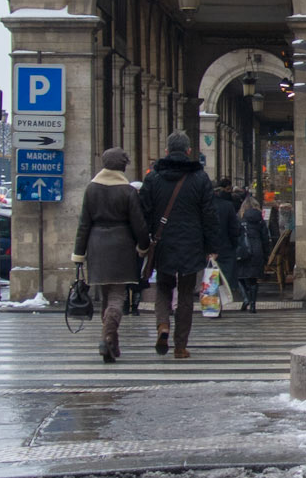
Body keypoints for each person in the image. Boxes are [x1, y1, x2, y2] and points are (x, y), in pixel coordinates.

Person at [138, 130, 218, 360]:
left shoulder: (153, 178)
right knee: (185, 294)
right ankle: (180, 346)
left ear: (166, 151)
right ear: (189, 151)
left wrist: (145, 241)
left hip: (162, 242)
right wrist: (211, 246)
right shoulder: (200, 178)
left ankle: (163, 324)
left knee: (163, 287)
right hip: (192, 243)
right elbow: (209, 214)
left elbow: (143, 211)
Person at [70, 146, 149, 363]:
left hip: (97, 246)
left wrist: (79, 254)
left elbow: (84, 224)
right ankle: (107, 337)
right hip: (122, 245)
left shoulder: (91, 189)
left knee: (106, 294)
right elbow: (138, 223)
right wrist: (143, 246)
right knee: (117, 296)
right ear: (122, 166)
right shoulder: (128, 191)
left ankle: (111, 342)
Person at [235, 190, 270, 310]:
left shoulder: (239, 218)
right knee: (254, 279)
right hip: (257, 249)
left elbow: (235, 235)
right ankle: (253, 305)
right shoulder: (260, 220)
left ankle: (246, 298)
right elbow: (265, 238)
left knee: (239, 276)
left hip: (243, 250)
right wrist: (266, 254)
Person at [212, 176, 242, 297]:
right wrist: (234, 243)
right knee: (226, 276)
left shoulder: (204, 206)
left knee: (210, 275)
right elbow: (234, 228)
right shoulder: (227, 206)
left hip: (209, 247)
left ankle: (213, 297)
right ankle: (224, 297)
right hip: (226, 245)